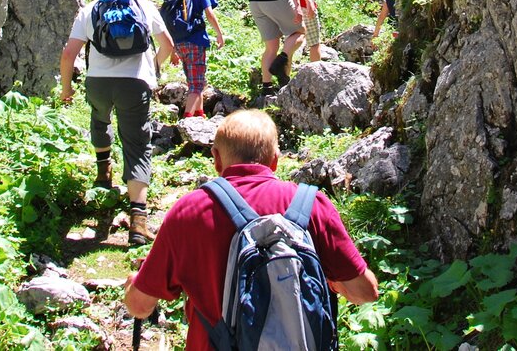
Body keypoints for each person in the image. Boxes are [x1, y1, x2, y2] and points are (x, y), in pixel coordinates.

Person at [124, 110, 379, 350]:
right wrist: (330, 282)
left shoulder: (188, 212)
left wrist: (134, 284)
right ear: (275, 160)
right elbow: (365, 292)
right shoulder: (312, 206)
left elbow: (140, 306)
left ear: (216, 159)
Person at [59, 0, 176, 246]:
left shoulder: (89, 10)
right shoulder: (144, 6)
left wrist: (66, 88)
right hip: (134, 83)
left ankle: (103, 174)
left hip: (98, 83)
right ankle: (138, 222)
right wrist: (153, 69)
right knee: (137, 145)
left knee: (99, 119)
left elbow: (68, 54)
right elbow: (168, 46)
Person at [168, 0, 225, 118]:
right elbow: (209, 13)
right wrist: (219, 34)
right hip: (195, 41)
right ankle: (187, 119)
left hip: (179, 42)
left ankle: (199, 114)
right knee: (196, 85)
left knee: (194, 80)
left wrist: (173, 50)